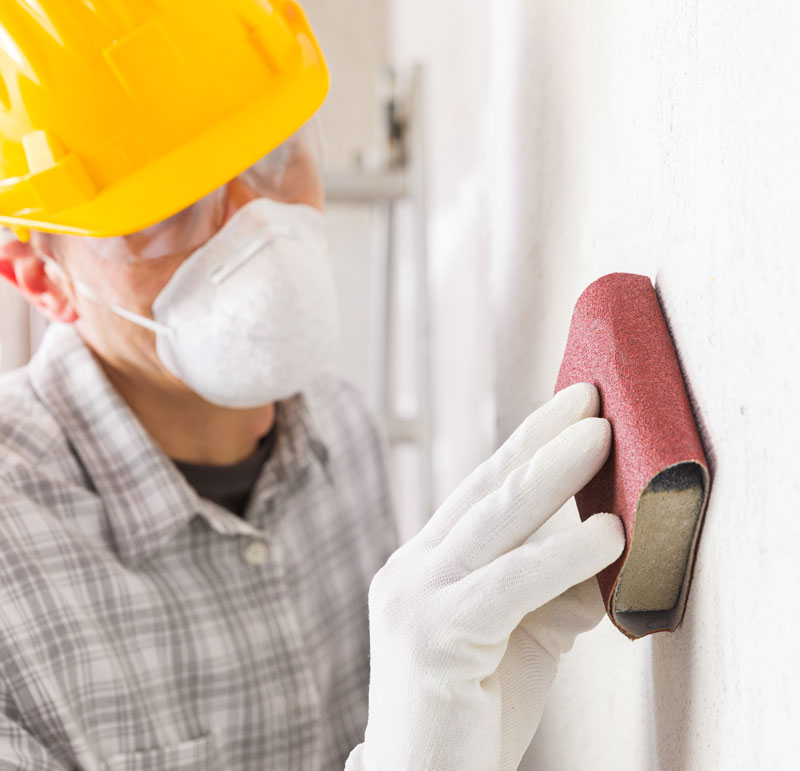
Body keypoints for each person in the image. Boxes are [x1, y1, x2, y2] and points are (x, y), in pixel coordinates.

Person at [0, 2, 625, 769]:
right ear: (42, 279)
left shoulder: (342, 430)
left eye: (274, 155)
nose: (255, 223)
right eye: (166, 208)